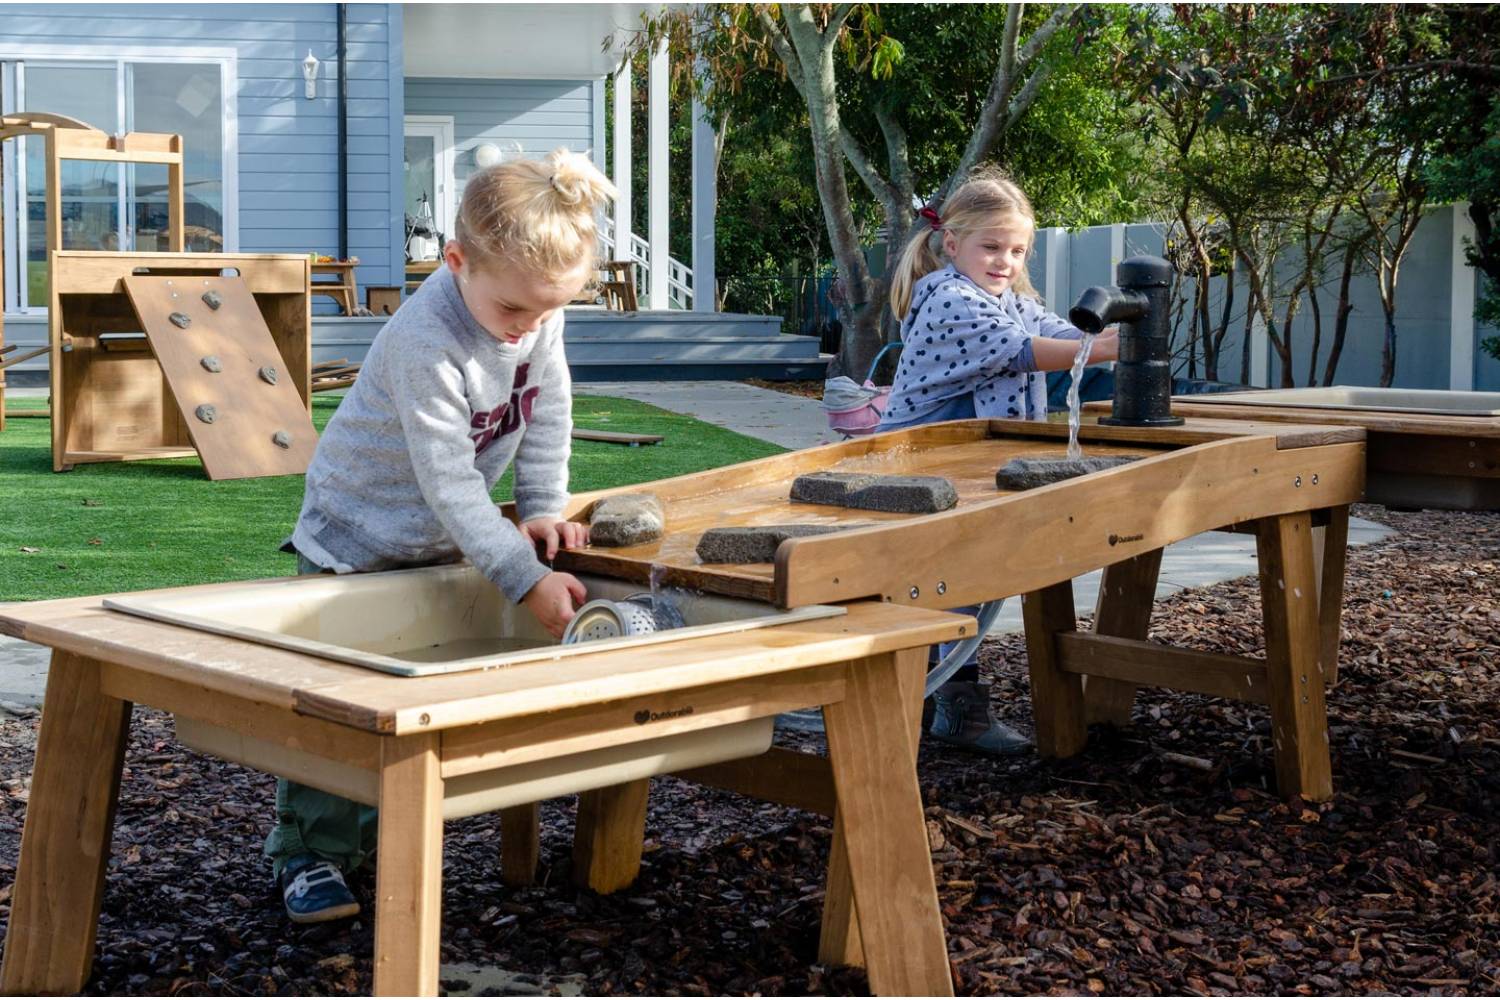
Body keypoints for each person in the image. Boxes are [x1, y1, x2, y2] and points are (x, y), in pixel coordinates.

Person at [266, 148, 615, 923]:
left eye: (548, 312)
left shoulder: (534, 316)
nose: (529, 329)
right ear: (456, 261)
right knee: (337, 704)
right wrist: (522, 576)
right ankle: (310, 855)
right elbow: (448, 479)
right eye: (515, 313)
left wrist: (543, 509)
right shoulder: (428, 338)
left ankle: (376, 832)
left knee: (412, 691)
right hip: (356, 540)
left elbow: (548, 410)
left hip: (436, 539)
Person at [877, 165, 1118, 756]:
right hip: (916, 468)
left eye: (1017, 250)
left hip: (962, 470)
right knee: (947, 585)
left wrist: (1104, 339)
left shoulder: (1009, 299)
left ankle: (939, 701)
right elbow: (1026, 352)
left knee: (965, 583)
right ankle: (931, 704)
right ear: (952, 244)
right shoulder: (948, 300)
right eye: (992, 246)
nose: (1005, 261)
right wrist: (1106, 346)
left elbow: (1056, 330)